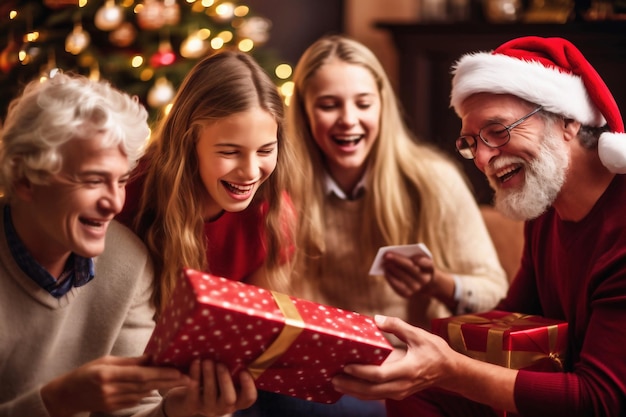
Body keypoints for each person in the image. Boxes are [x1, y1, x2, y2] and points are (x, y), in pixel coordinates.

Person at [331, 36, 626, 416]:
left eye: (498, 131)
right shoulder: (547, 210)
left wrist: (448, 369)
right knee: (409, 389)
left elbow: (599, 400)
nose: (484, 158)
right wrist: (406, 344)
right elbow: (507, 320)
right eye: (471, 142)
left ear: (568, 120)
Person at [238, 34, 509, 417]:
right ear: (304, 112)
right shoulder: (278, 188)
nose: (349, 119)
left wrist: (438, 283)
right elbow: (264, 303)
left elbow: (495, 293)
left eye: (363, 103)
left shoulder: (432, 180)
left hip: (401, 378)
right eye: (329, 105)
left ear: (382, 106)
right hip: (313, 371)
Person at [0, 71, 256, 416]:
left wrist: (178, 410)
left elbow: (136, 411)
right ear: (25, 180)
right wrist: (56, 402)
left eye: (120, 181)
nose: (115, 204)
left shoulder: (126, 261)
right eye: (92, 181)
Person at [116, 50, 298, 316]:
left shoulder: (272, 215)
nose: (250, 172)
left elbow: (261, 325)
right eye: (230, 152)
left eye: (265, 151)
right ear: (189, 144)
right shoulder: (129, 196)